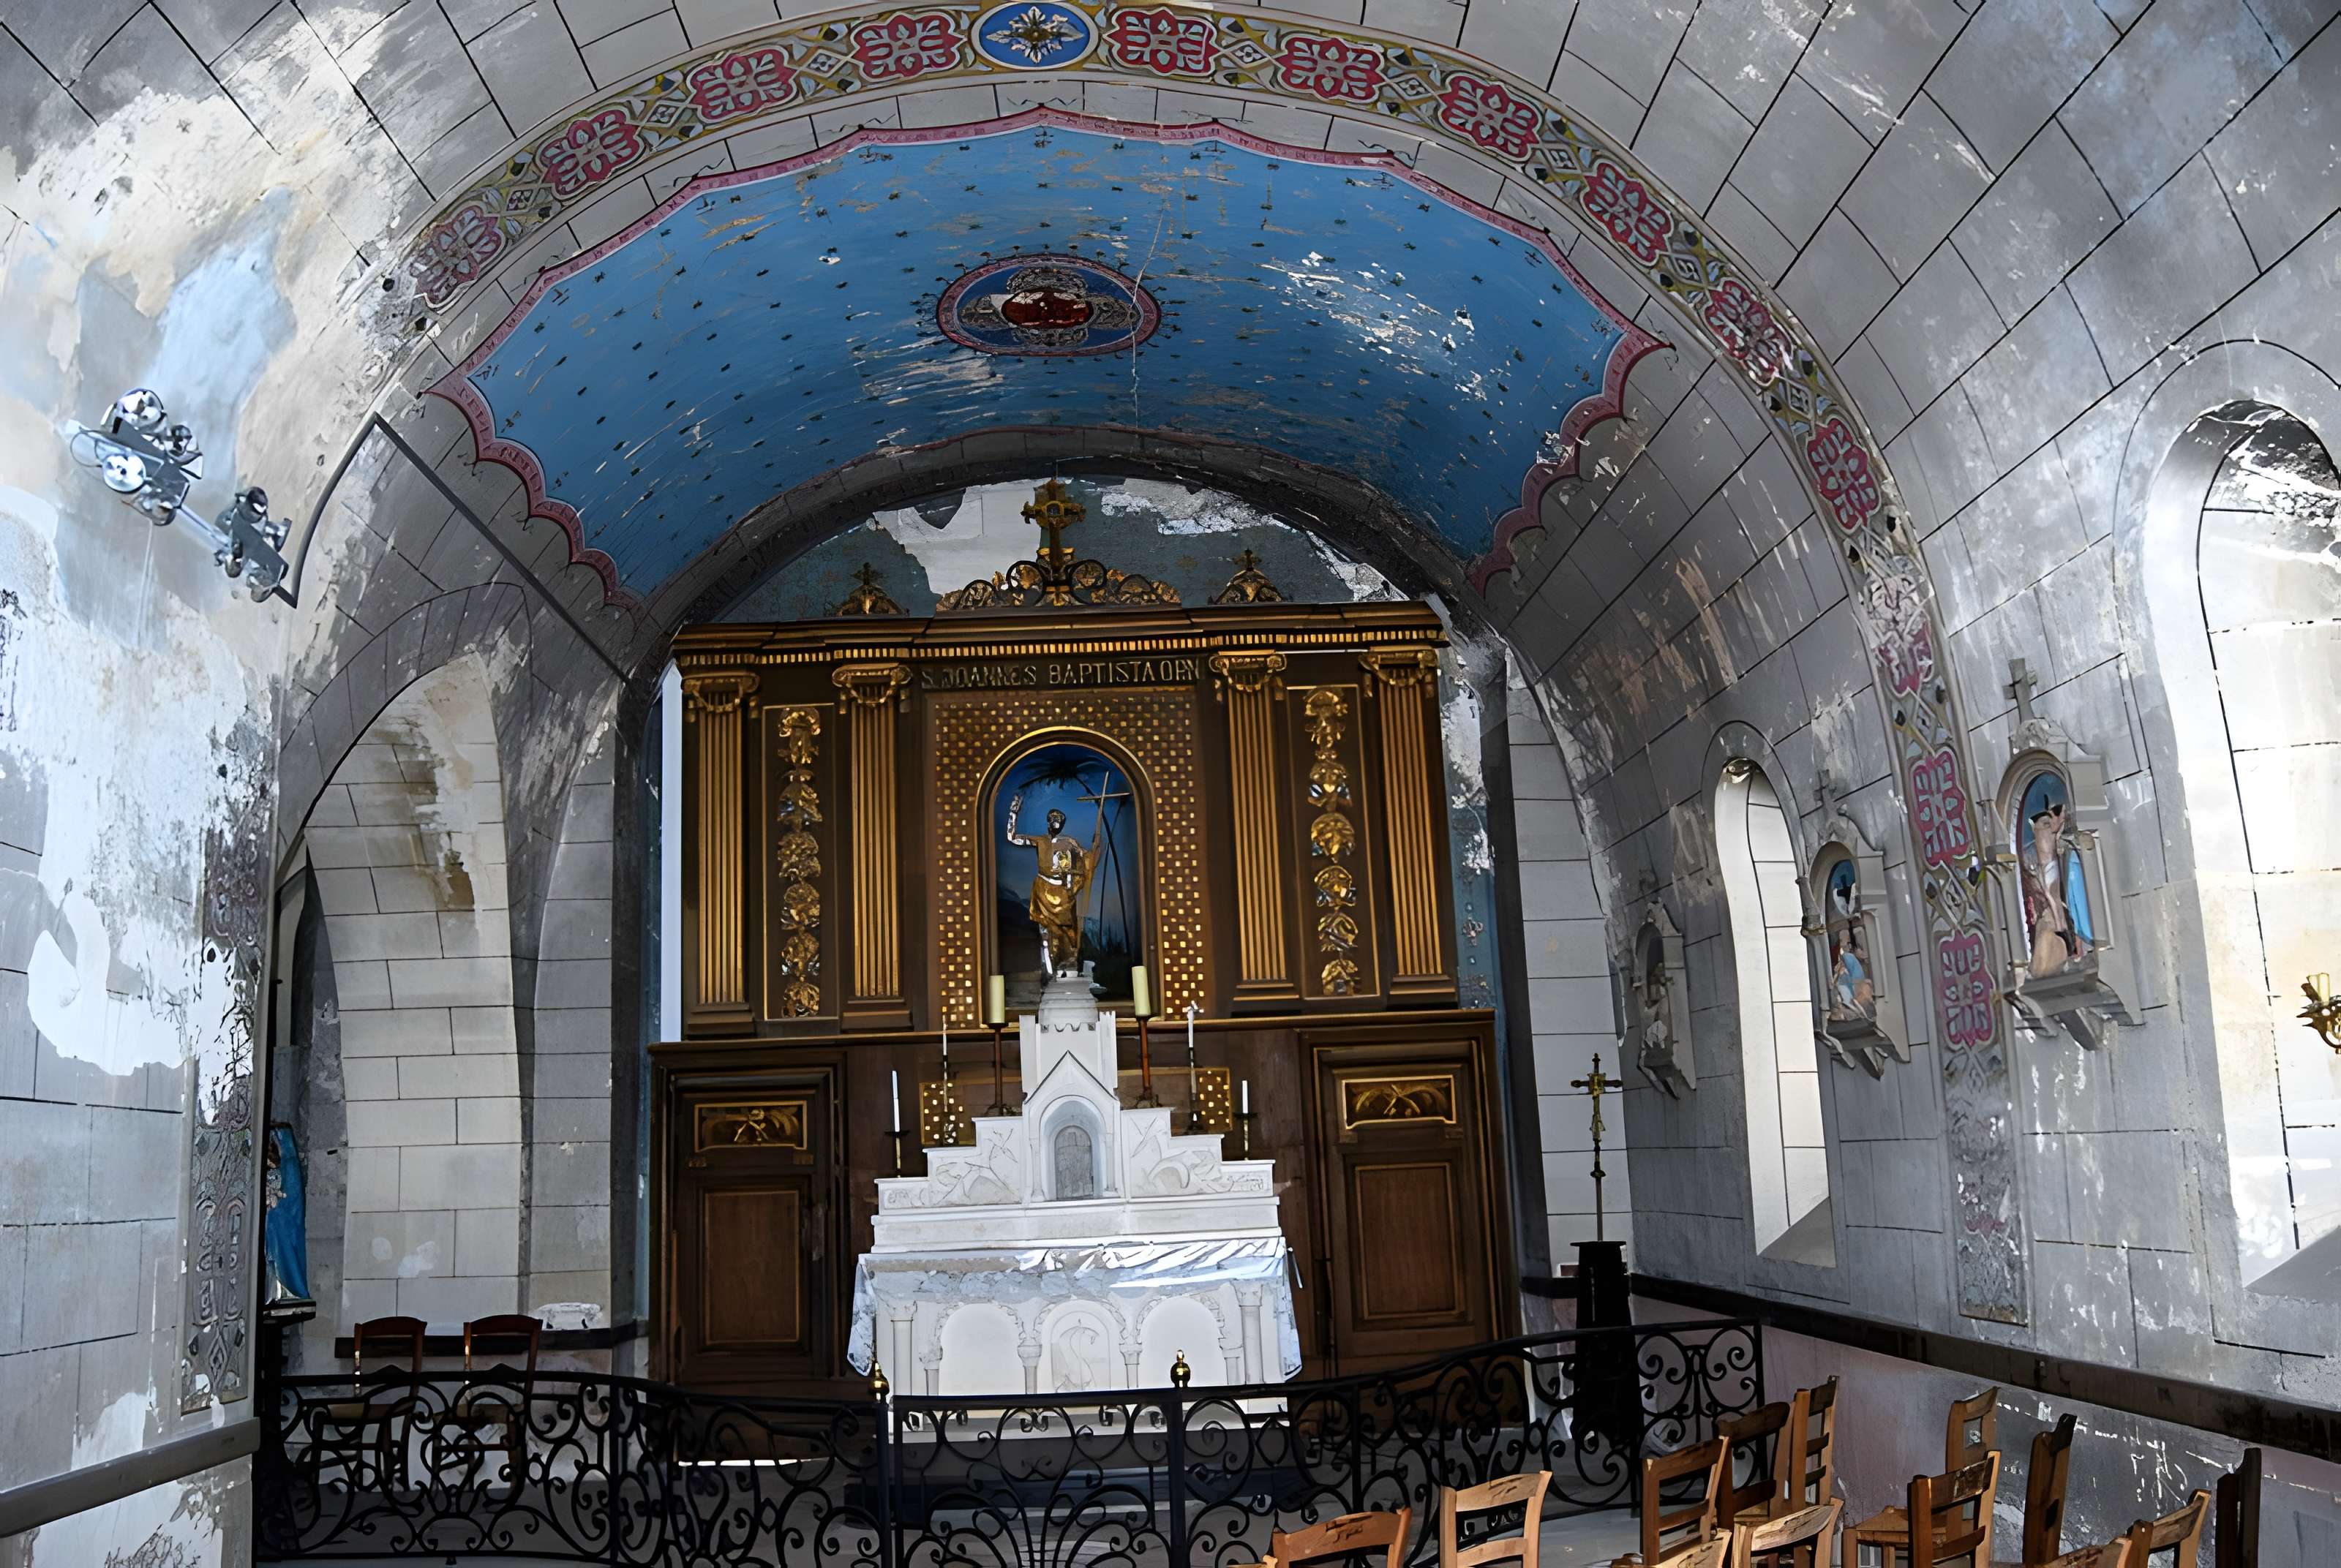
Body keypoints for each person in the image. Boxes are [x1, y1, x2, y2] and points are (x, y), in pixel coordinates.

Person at [1005, 794, 1097, 976]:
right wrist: (1013, 813)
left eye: (1058, 821)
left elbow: (1087, 859)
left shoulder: (1069, 843)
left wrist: (1096, 847)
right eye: (1053, 821)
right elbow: (1012, 837)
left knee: (1067, 930)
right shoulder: (1040, 841)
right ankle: (1048, 967)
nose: (1055, 824)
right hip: (1043, 891)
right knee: (1045, 931)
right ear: (1048, 823)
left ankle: (1067, 964)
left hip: (1063, 894)